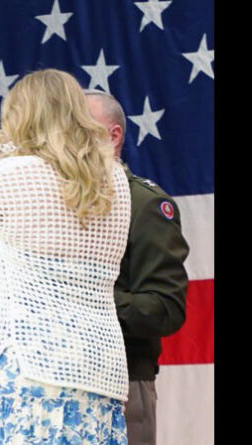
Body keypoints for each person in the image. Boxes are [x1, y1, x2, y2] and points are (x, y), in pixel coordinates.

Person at [0, 69, 132, 444]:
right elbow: (54, 170)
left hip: (30, 369)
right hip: (99, 370)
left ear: (21, 115)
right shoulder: (114, 178)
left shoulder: (10, 176)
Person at [85, 89, 189, 445]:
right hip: (58, 388)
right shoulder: (56, 206)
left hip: (123, 386)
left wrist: (84, 299)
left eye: (80, 128)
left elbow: (165, 309)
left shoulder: (144, 204)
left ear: (114, 136)